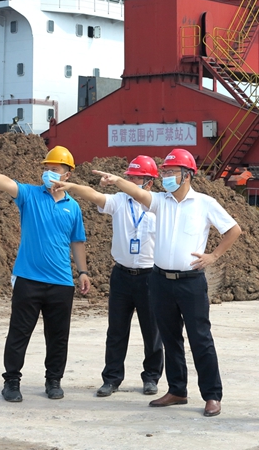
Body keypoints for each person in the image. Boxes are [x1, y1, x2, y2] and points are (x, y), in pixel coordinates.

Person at [93, 149, 241, 417]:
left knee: (200, 339)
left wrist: (213, 256)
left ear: (187, 175)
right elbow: (137, 193)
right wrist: (117, 181)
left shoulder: (204, 203)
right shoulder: (161, 201)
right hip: (160, 280)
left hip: (190, 282)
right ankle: (177, 390)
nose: (166, 177)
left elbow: (233, 230)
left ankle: (212, 395)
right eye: (164, 172)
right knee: (171, 339)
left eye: (171, 172)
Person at [0, 145, 90, 403]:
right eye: (46, 168)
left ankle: (54, 380)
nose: (49, 173)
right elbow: (6, 183)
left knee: (58, 336)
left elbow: (77, 241)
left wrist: (82, 271)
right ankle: (11, 381)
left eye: (55, 169)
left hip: (61, 282)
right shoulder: (30, 195)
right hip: (28, 279)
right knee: (19, 333)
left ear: (68, 174)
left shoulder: (73, 207)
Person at [51, 155, 163, 398]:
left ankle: (151, 377)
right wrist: (71, 186)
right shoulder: (119, 201)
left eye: (136, 178)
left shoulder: (158, 205)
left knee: (152, 330)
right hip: (122, 275)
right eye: (129, 177)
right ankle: (112, 378)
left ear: (149, 182)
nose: (131, 181)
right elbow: (94, 195)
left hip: (150, 276)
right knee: (116, 330)